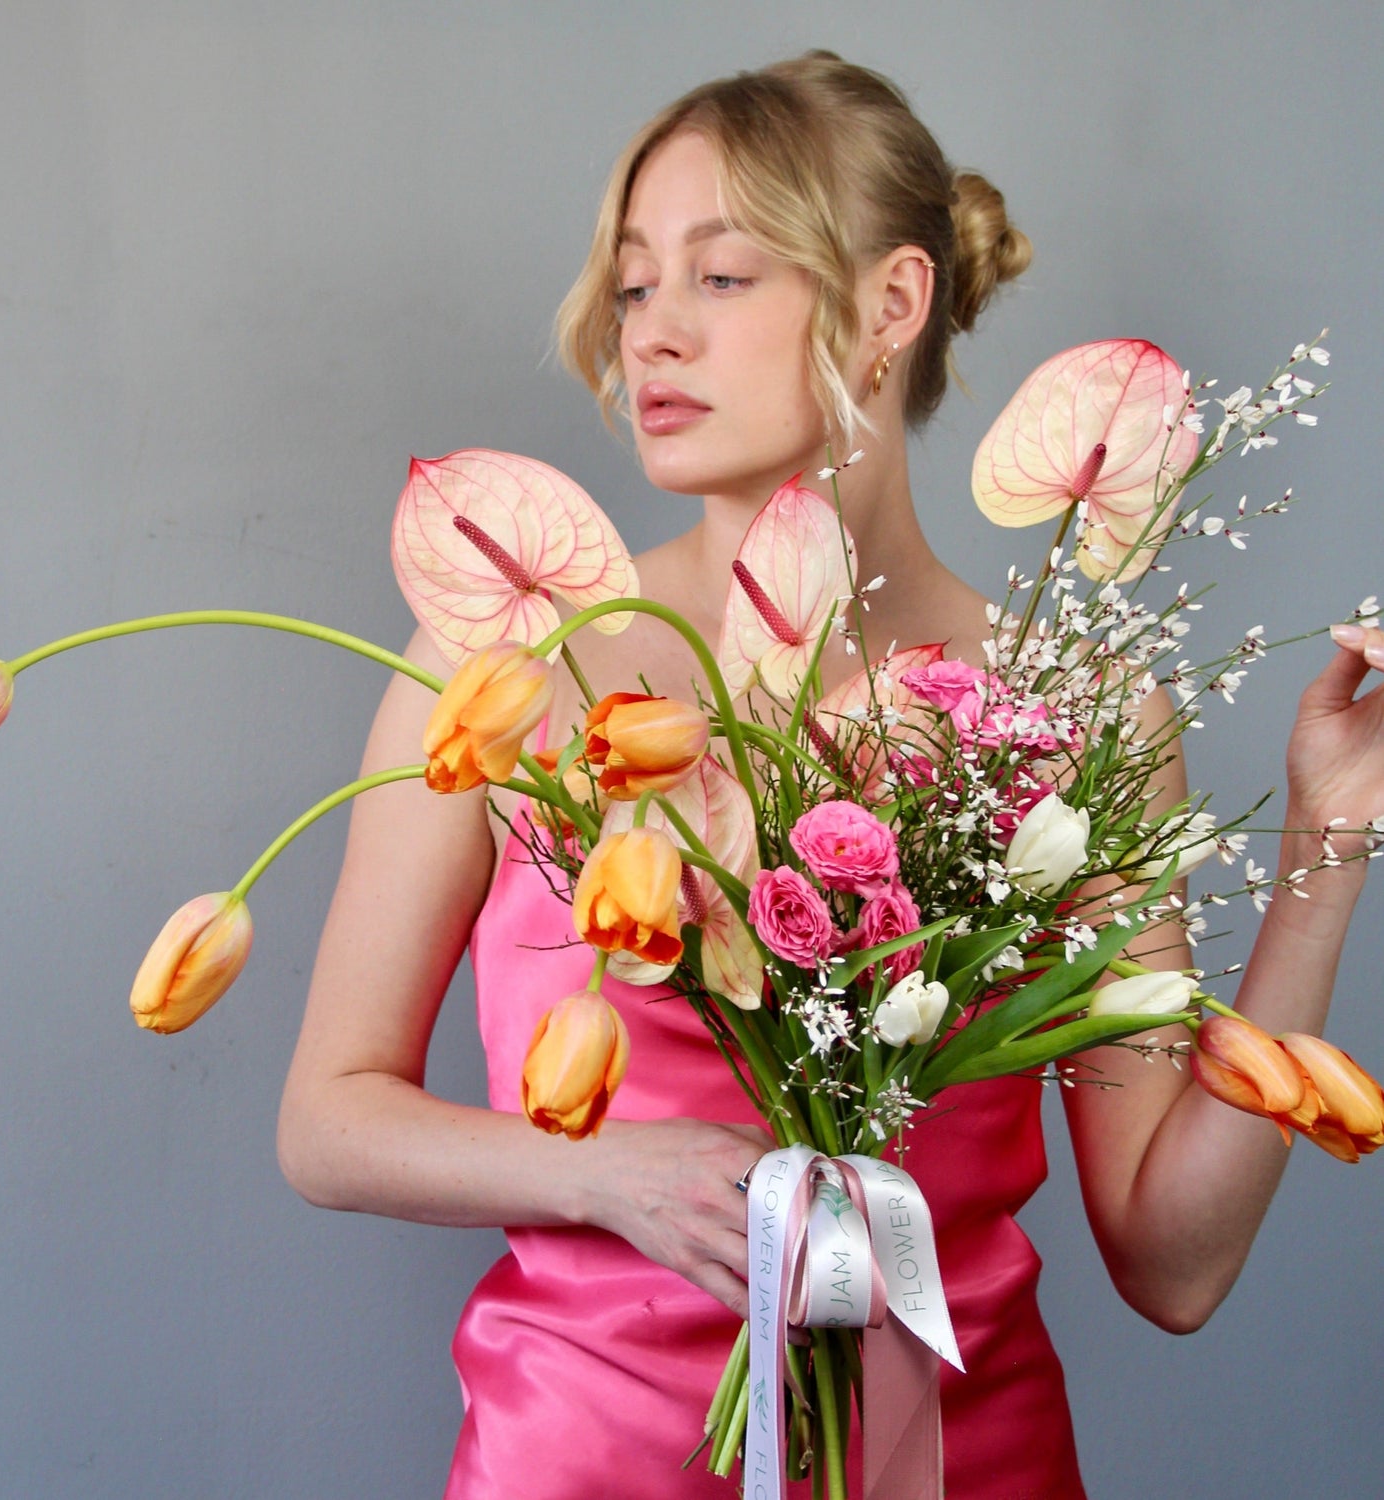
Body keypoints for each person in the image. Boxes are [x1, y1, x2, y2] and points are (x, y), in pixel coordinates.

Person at [276, 51, 1384, 1499]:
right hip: (589, 1463)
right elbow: (328, 1116)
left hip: (965, 1464)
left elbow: (1173, 1263)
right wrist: (608, 1175)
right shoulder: (514, 661)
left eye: (720, 278)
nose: (652, 336)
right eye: (632, 286)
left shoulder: (1075, 702)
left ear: (888, 306)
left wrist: (1329, 840)